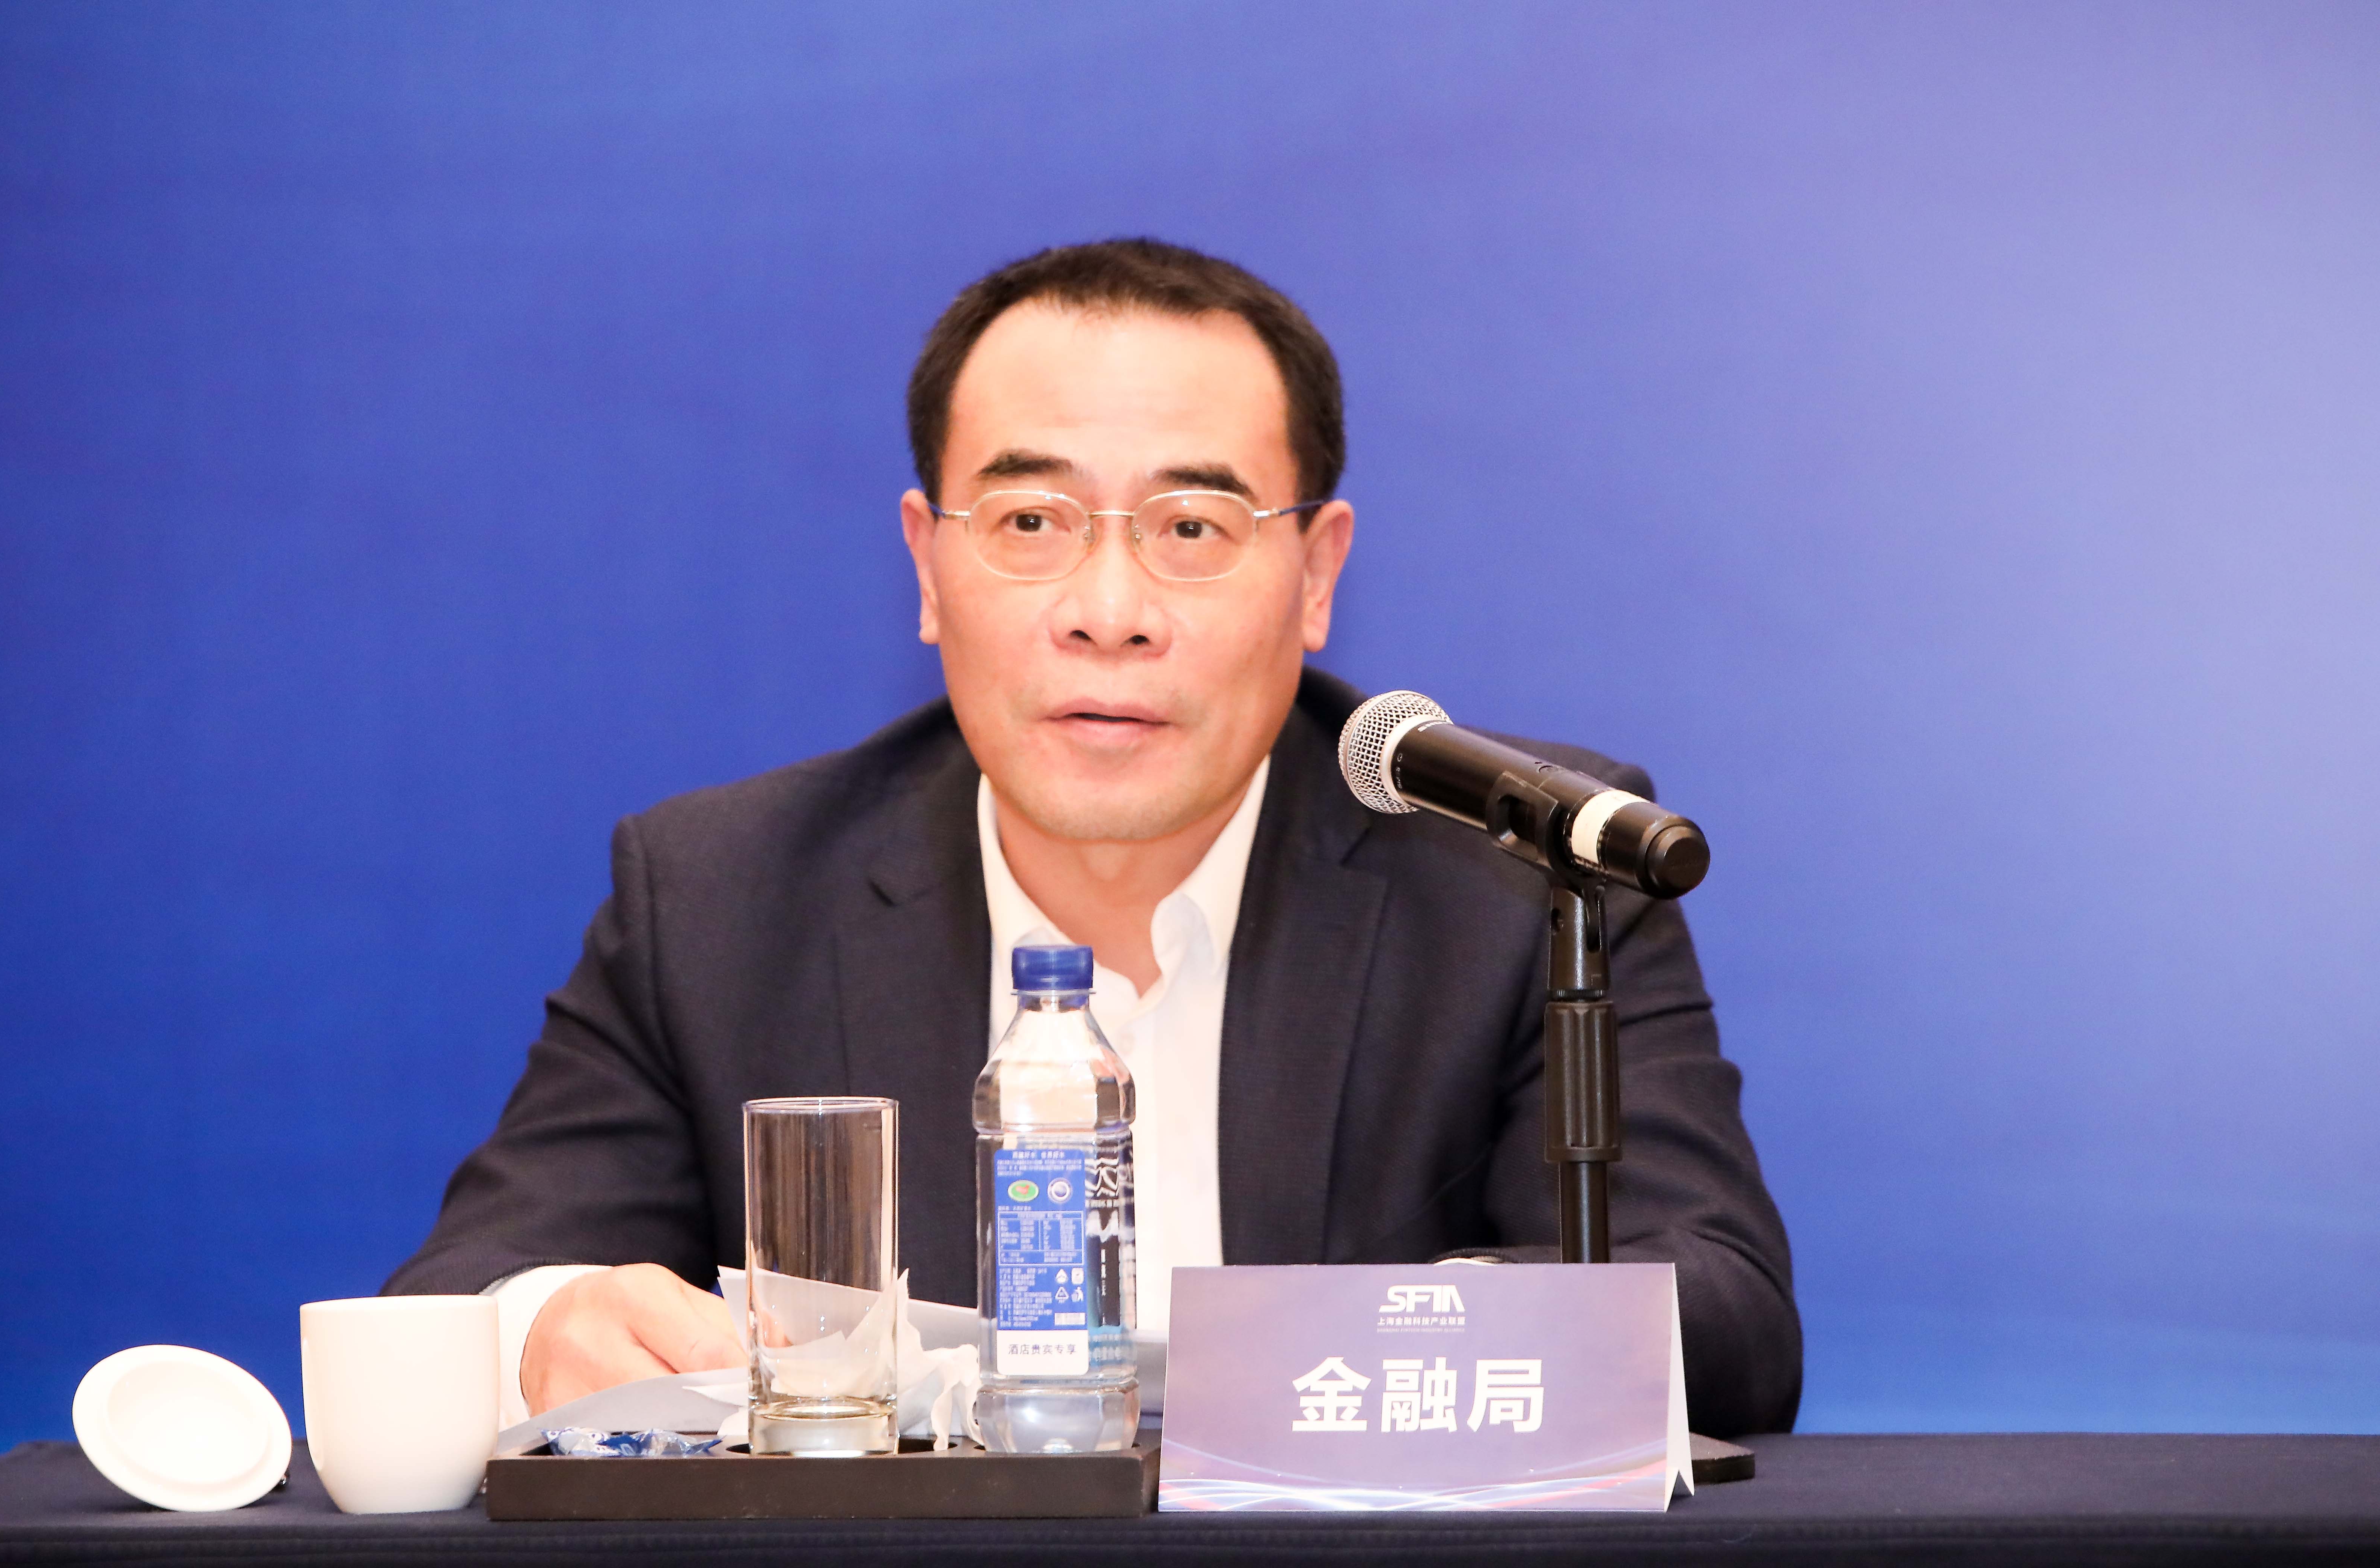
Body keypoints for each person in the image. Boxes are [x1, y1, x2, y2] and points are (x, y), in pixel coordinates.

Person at [385, 239, 1803, 1437]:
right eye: (1030, 520)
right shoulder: (722, 897)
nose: (1109, 611)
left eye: (1192, 527)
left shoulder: (1517, 873)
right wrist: (550, 1322)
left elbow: (1730, 1315)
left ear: (1316, 577)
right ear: (927, 564)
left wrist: (1420, 1337)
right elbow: (459, 1300)